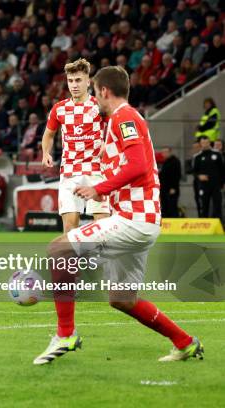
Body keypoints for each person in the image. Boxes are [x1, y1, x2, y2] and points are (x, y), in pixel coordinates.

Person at [34, 66, 203, 365]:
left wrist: (100, 188)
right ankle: (185, 342)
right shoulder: (119, 120)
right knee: (122, 299)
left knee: (59, 248)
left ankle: (66, 334)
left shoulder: (125, 117)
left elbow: (138, 165)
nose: (93, 99)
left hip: (133, 219)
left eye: (95, 92)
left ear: (104, 92)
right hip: (139, 220)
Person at [41, 58, 110, 233]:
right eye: (70, 81)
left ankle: (101, 261)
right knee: (70, 226)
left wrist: (108, 144)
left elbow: (116, 127)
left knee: (103, 225)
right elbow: (49, 134)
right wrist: (46, 153)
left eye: (78, 80)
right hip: (70, 171)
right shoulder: (59, 108)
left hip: (98, 170)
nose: (74, 85)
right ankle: (71, 261)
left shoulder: (100, 105)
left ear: (88, 81)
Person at [193, 136, 223, 219]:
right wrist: (199, 176)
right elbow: (194, 171)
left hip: (216, 185)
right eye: (203, 143)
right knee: (204, 205)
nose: (205, 144)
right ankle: (204, 225)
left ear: (209, 143)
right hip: (203, 185)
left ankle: (219, 225)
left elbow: (222, 170)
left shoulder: (217, 154)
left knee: (217, 205)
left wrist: (222, 183)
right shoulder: (197, 157)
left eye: (207, 142)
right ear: (200, 144)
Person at [159, 147, 182, 218]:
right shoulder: (165, 162)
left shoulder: (175, 161)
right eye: (163, 152)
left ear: (170, 152)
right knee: (165, 207)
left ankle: (175, 223)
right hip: (163, 189)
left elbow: (177, 175)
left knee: (172, 207)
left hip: (171, 189)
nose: (164, 154)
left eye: (166, 152)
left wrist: (173, 188)